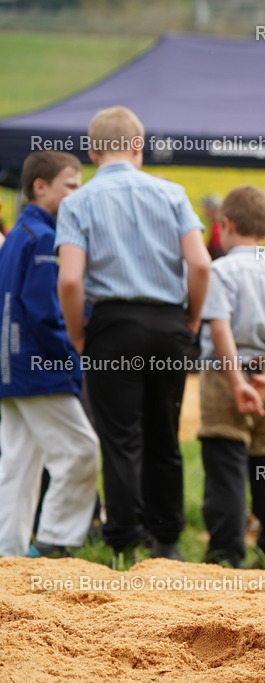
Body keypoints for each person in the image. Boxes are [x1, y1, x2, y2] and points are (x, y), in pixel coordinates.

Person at [55, 106, 211, 560]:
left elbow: (69, 279)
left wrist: (78, 333)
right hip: (168, 324)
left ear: (92, 151)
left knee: (120, 437)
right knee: (165, 434)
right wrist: (193, 318)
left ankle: (123, 540)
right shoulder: (173, 193)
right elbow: (200, 264)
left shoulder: (77, 201)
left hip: (111, 325)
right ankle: (168, 540)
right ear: (138, 146)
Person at [198, 184, 265, 569]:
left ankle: (226, 551)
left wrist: (236, 382)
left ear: (225, 224)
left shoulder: (220, 270)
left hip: (224, 375)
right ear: (264, 228)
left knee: (225, 463)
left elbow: (219, 328)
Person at [0, 151, 99, 558]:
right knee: (80, 450)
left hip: (11, 368)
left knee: (20, 462)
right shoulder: (44, 237)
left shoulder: (18, 234)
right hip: (37, 367)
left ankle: (9, 553)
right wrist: (70, 351)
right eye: (70, 187)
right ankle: (56, 541)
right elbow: (42, 308)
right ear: (40, 186)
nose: (77, 195)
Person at [202, 194, 226, 260]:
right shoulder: (217, 223)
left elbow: (215, 247)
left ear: (212, 209)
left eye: (206, 207)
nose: (203, 210)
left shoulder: (218, 225)